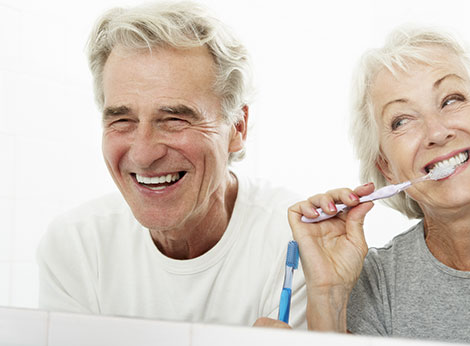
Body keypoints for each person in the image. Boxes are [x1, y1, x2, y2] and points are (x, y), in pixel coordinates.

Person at [288, 26, 470, 346]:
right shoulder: (377, 286)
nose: (436, 132)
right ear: (386, 168)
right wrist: (328, 294)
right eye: (402, 120)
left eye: (451, 100)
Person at [37, 1, 306, 328]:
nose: (143, 153)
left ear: (237, 127)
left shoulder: (295, 241)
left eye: (174, 119)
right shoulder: (77, 246)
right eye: (122, 120)